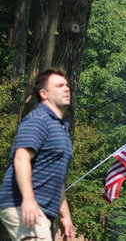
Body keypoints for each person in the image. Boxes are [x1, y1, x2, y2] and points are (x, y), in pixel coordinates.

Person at [0, 69, 75, 240]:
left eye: (66, 85)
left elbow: (56, 177)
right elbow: (21, 158)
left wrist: (65, 215)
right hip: (21, 205)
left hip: (40, 209)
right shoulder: (39, 119)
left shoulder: (60, 127)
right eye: (59, 86)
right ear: (44, 94)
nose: (67, 88)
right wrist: (28, 199)